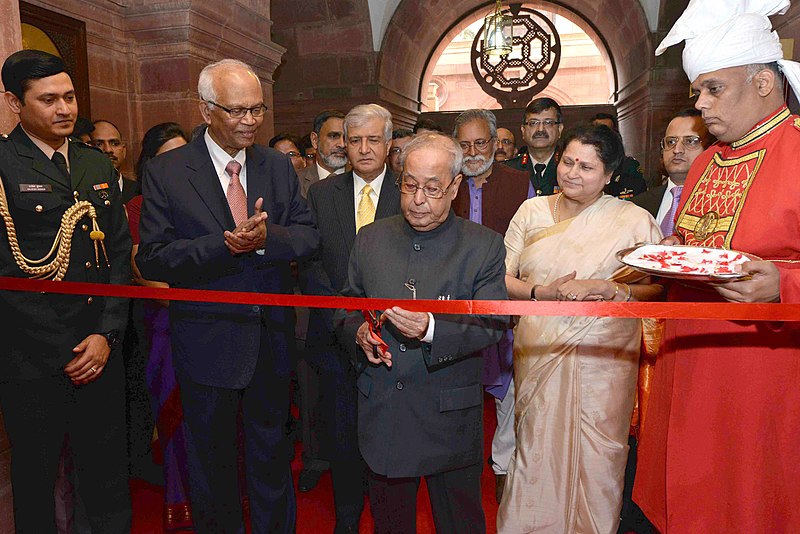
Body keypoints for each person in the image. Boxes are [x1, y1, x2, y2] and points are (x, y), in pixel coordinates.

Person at [634, 1, 800, 531]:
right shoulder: (705, 160)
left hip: (762, 374)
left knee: (750, 501)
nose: (701, 104)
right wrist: (662, 263)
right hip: (688, 362)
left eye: (714, 89)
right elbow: (695, 240)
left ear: (764, 83)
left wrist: (785, 282)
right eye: (698, 91)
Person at [136, 58, 319, 533]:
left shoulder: (278, 166)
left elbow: (307, 237)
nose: (250, 121)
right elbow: (153, 258)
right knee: (212, 466)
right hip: (206, 341)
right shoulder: (168, 171)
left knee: (272, 458)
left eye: (257, 110)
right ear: (206, 110)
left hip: (271, 340)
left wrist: (266, 239)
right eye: (237, 111)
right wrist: (222, 245)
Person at [338, 132, 508, 533]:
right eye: (410, 185)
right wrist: (359, 332)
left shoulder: (483, 246)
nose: (418, 199)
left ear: (454, 187)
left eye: (432, 189)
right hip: (384, 413)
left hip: (449, 416)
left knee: (458, 522)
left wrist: (432, 329)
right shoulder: (371, 239)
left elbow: (494, 322)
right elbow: (346, 304)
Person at [497, 124, 663, 533]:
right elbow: (501, 277)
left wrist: (612, 288)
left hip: (605, 357)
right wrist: (541, 291)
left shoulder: (634, 219)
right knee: (536, 447)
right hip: (540, 347)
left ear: (609, 175)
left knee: (600, 453)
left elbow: (656, 286)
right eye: (567, 161)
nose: (572, 172)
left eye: (587, 167)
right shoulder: (531, 211)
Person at [0, 49, 132, 532]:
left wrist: (106, 337)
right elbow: (8, 277)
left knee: (107, 476)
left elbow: (119, 256)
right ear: (15, 102)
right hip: (33, 361)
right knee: (36, 480)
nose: (65, 109)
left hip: (101, 350)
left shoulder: (95, 165)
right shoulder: (3, 165)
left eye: (70, 97)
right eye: (49, 99)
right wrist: (66, 350)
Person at [300, 103, 401, 533]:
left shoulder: (408, 192)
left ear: (389, 144)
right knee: (342, 439)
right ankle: (345, 520)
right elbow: (311, 264)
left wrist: (381, 318)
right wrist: (348, 318)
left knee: (390, 442)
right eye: (352, 139)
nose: (361, 148)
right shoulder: (322, 195)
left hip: (397, 339)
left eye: (372, 139)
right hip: (335, 339)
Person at [450, 108, 530, 504]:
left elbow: (532, 242)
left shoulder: (521, 183)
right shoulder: (444, 183)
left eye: (480, 142)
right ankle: (457, 463)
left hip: (505, 303)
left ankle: (502, 467)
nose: (472, 151)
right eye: (463, 144)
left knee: (507, 388)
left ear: (496, 143)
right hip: (452, 306)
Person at [125, 121, 192, 530]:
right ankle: (180, 501)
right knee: (174, 417)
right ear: (150, 164)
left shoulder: (204, 200)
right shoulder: (137, 207)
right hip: (167, 327)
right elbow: (142, 272)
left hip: (212, 327)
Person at [632, 109, 712, 231]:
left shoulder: (721, 203)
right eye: (671, 142)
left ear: (710, 148)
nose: (677, 149)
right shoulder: (638, 205)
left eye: (690, 141)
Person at [504, 97, 563, 196]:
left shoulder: (570, 168)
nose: (540, 129)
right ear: (523, 130)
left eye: (548, 123)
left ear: (560, 129)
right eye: (533, 123)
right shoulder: (508, 170)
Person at [590, 113, 647, 200]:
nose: (602, 137)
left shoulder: (629, 167)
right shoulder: (582, 165)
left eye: (607, 132)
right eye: (598, 132)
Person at [296, 109, 347, 197]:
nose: (342, 145)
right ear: (315, 140)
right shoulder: (295, 181)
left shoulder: (362, 178)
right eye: (333, 136)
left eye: (346, 137)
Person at [91, 119, 141, 203]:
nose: (108, 150)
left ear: (124, 150)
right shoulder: (81, 192)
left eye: (114, 143)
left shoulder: (140, 190)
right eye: (98, 144)